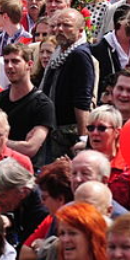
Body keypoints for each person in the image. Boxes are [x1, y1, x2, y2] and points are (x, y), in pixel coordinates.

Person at [42, 9, 97, 160]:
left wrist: (83, 138)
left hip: (68, 133)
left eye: (66, 25)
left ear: (80, 31)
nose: (60, 29)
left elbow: (82, 99)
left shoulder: (80, 55)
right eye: (58, 25)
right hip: (54, 129)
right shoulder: (60, 52)